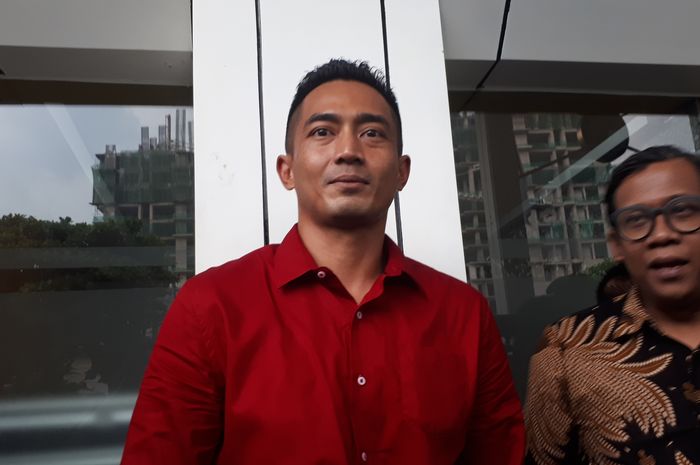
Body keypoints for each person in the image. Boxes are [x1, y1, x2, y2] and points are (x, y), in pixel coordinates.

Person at [121, 59, 524, 464]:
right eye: (322, 132)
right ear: (287, 170)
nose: (348, 151)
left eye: (372, 133)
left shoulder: (465, 315)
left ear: (402, 172)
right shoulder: (210, 307)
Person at [525, 145, 700, 465]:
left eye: (683, 211)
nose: (662, 235)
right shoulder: (565, 347)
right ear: (617, 245)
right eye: (636, 220)